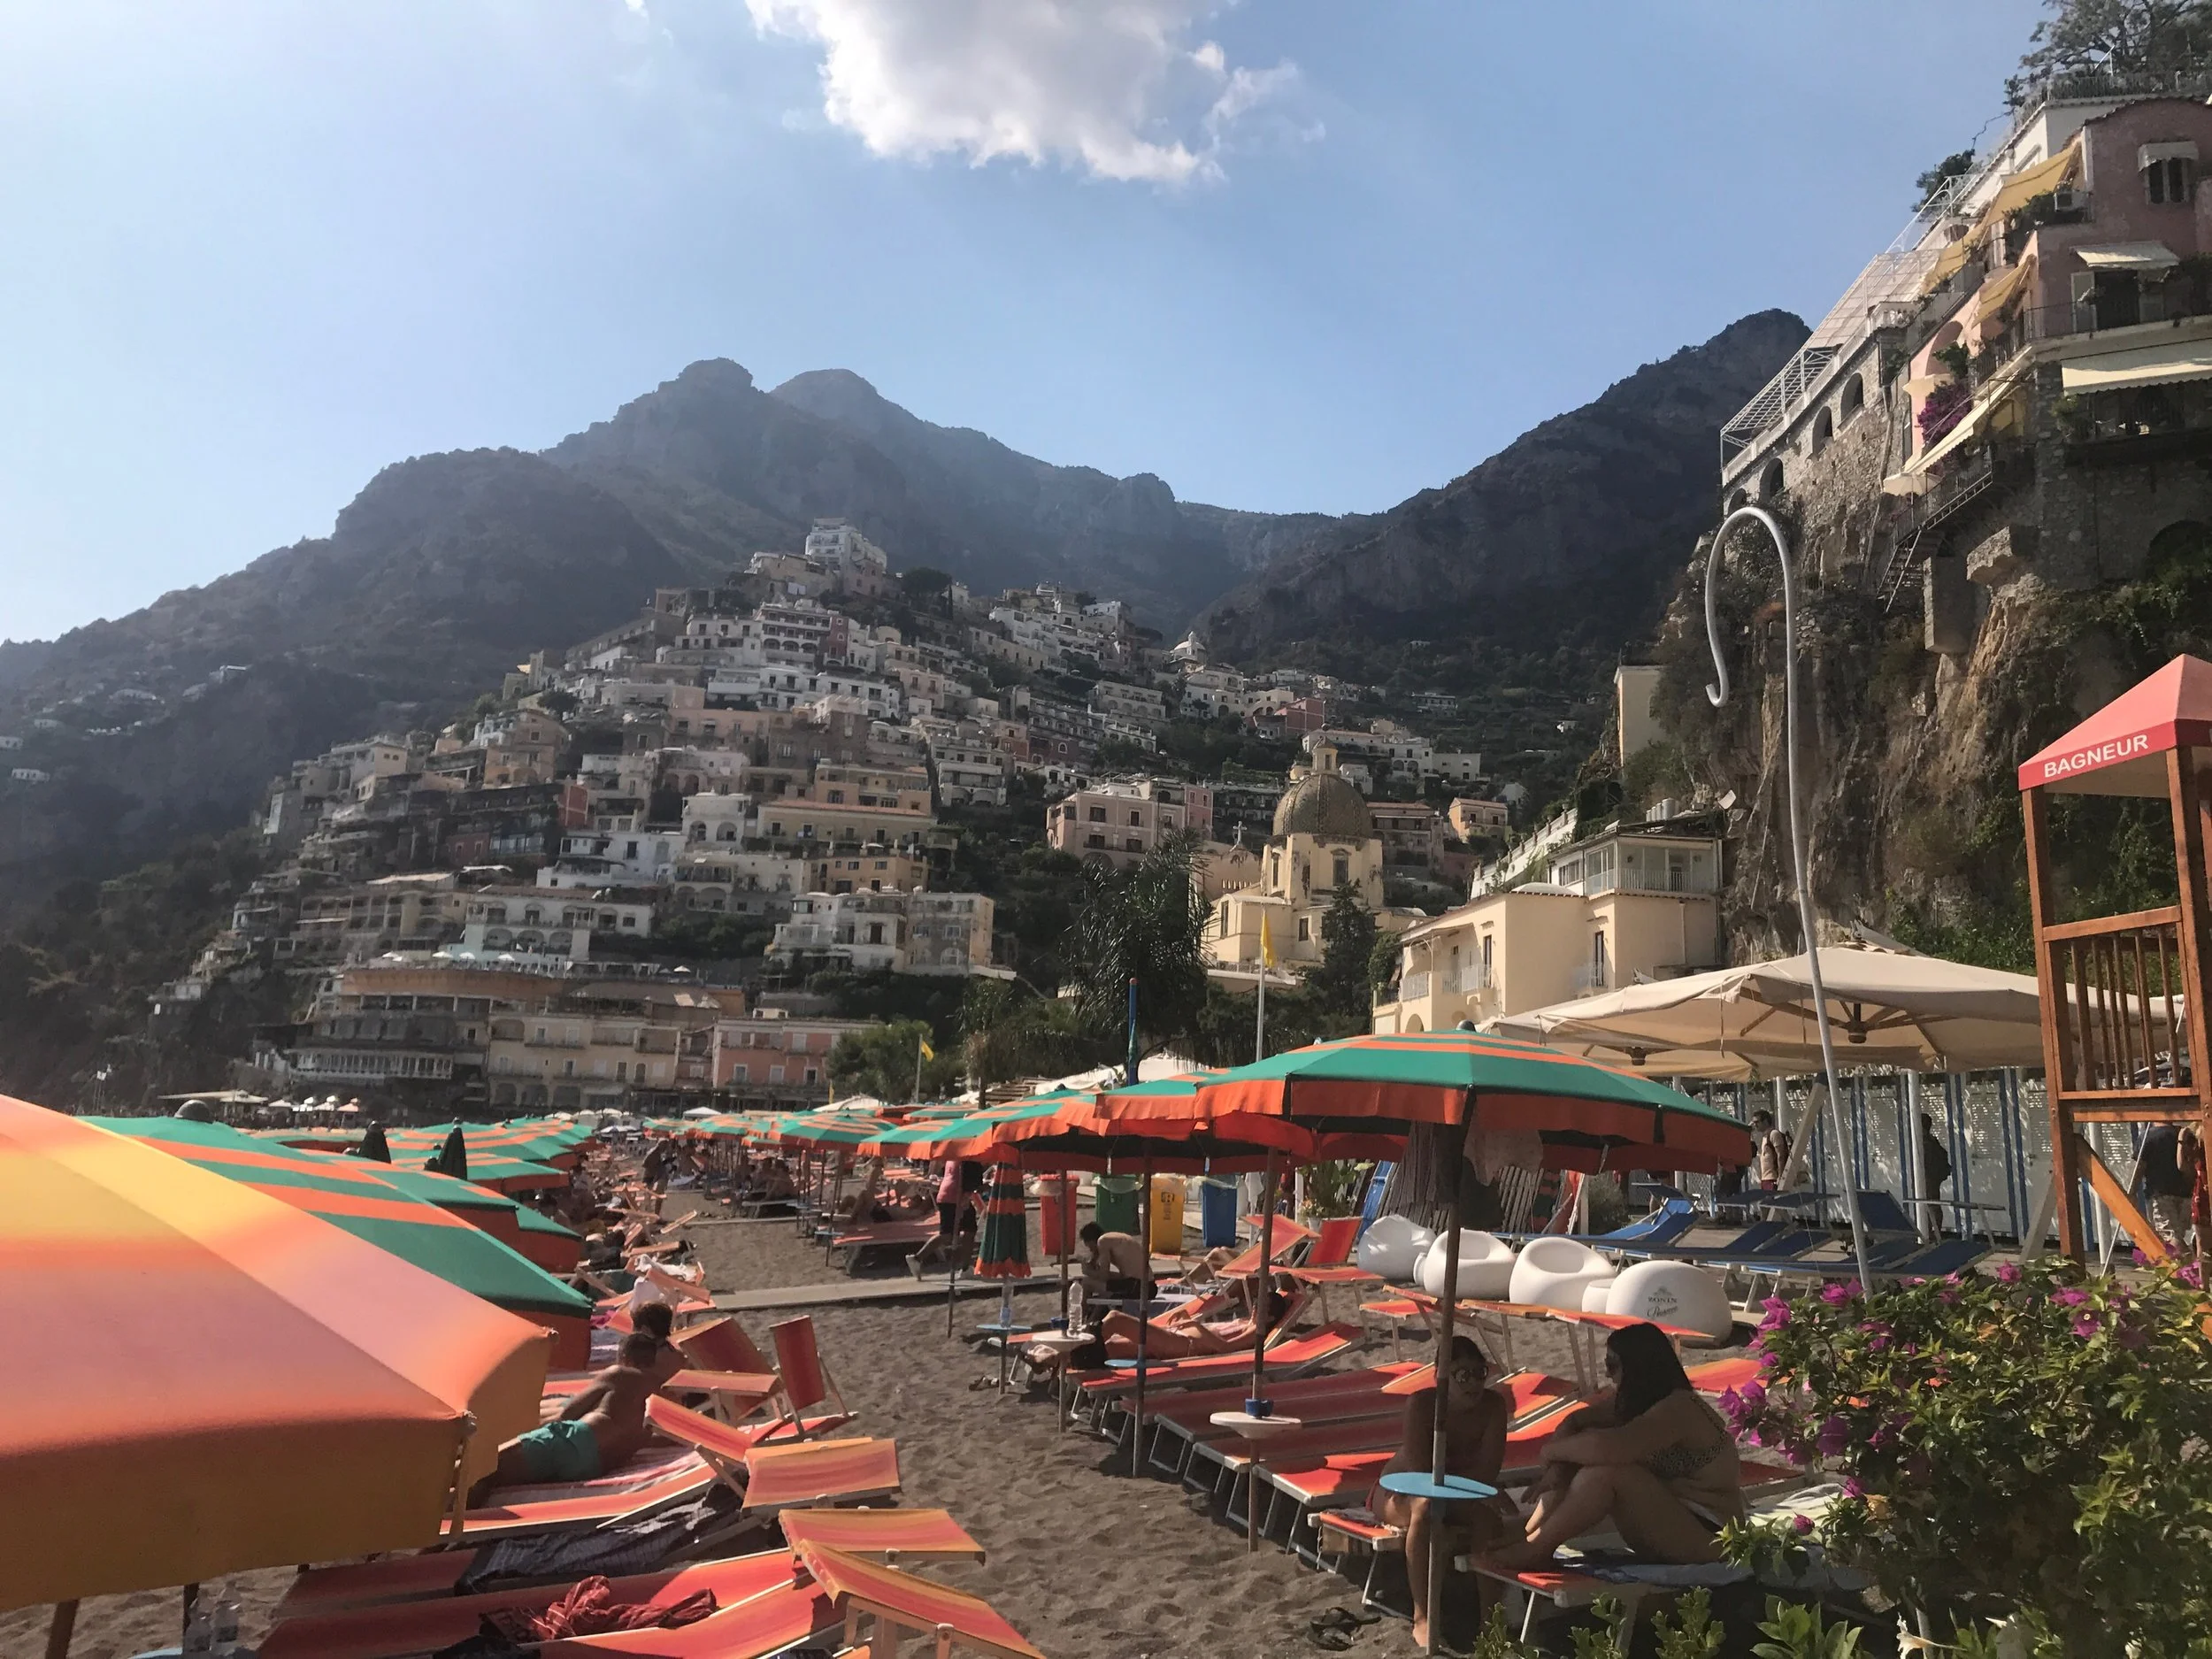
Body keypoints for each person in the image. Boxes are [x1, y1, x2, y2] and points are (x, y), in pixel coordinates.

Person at [1489, 1322, 1743, 1570]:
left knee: (1606, 1471)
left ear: (1638, 1368)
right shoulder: (1636, 1402)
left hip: (1714, 1537)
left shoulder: (1680, 1408)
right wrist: (1558, 1469)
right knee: (1584, 1448)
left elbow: (1608, 1449)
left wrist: (1550, 1452)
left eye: (1612, 1366)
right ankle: (1532, 1534)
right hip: (1672, 1524)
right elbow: (1575, 1421)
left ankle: (1536, 1547)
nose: (1608, 1375)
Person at [1371, 1335, 1512, 1649]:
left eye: (1480, 1373)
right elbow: (1423, 1475)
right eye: (1463, 1375)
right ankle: (1423, 1616)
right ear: (1442, 1375)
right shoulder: (1423, 1406)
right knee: (1425, 1507)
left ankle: (1491, 1622)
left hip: (1457, 1493)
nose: (1473, 1383)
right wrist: (1484, 1488)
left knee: (1486, 1523)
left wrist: (1486, 1490)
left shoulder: (1493, 1406)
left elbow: (1488, 1472)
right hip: (1399, 1493)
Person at [471, 1331, 684, 1502]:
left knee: (477, 1469)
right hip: (593, 1466)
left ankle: (445, 1525)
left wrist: (512, 1437)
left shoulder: (620, 1374)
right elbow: (665, 1438)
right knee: (491, 1477)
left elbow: (566, 1415)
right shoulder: (672, 1401)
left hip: (576, 1441)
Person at [2138, 1123, 2193, 1254]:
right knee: (2177, 1237)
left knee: (2170, 1238)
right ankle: (2192, 1266)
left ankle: (2191, 1270)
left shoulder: (2147, 1136)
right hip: (2185, 1193)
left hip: (2160, 1194)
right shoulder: (2183, 1133)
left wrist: (2132, 1191)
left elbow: (2140, 1167)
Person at [1078, 1222, 1153, 1302]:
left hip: (1138, 1287)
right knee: (1104, 1292)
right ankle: (1096, 1313)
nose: (1091, 1251)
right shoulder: (1114, 1239)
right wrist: (1095, 1266)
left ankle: (1084, 1313)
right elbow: (1122, 1276)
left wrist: (1088, 1271)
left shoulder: (1102, 1241)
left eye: (1090, 1247)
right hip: (1150, 1287)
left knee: (1087, 1282)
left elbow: (1104, 1276)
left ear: (1092, 1241)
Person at [1750, 1110, 1789, 1193]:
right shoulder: (1765, 1137)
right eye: (1754, 1123)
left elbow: (1780, 1155)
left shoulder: (1774, 1134)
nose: (1755, 1125)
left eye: (1757, 1122)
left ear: (1765, 1122)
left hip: (1773, 1178)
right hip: (1765, 1179)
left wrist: (1780, 1176)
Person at [1919, 1114, 1952, 1201]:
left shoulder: (1926, 1143)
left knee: (1932, 1206)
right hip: (1931, 1179)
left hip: (1929, 1179)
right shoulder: (1931, 1141)